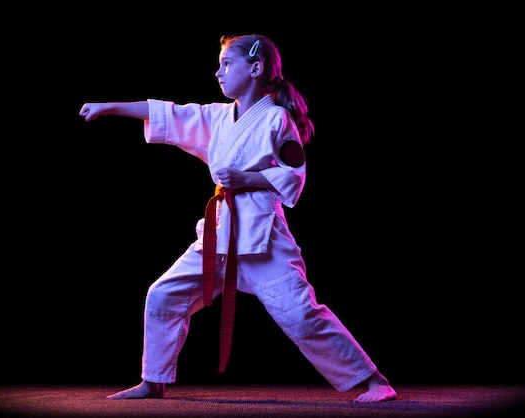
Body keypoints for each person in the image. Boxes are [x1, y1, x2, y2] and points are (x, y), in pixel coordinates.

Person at [78, 33, 397, 403]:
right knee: (163, 293)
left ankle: (376, 381)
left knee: (300, 315)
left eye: (227, 64)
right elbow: (171, 112)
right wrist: (109, 106)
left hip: (263, 239)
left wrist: (246, 178)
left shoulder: (277, 119)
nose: (219, 72)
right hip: (220, 234)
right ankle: (154, 380)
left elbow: (293, 174)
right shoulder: (219, 117)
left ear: (257, 68)